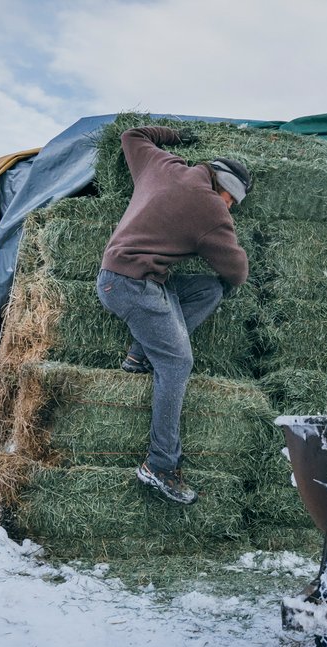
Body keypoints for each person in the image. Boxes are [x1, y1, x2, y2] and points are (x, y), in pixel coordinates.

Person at [96, 126, 252, 504]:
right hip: (134, 287)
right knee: (178, 364)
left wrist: (178, 136)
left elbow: (132, 135)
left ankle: (139, 354)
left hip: (114, 277)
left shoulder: (161, 164)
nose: (230, 208)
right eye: (233, 201)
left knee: (207, 289)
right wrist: (221, 241)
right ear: (225, 190)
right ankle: (160, 465)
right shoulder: (212, 210)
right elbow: (237, 272)